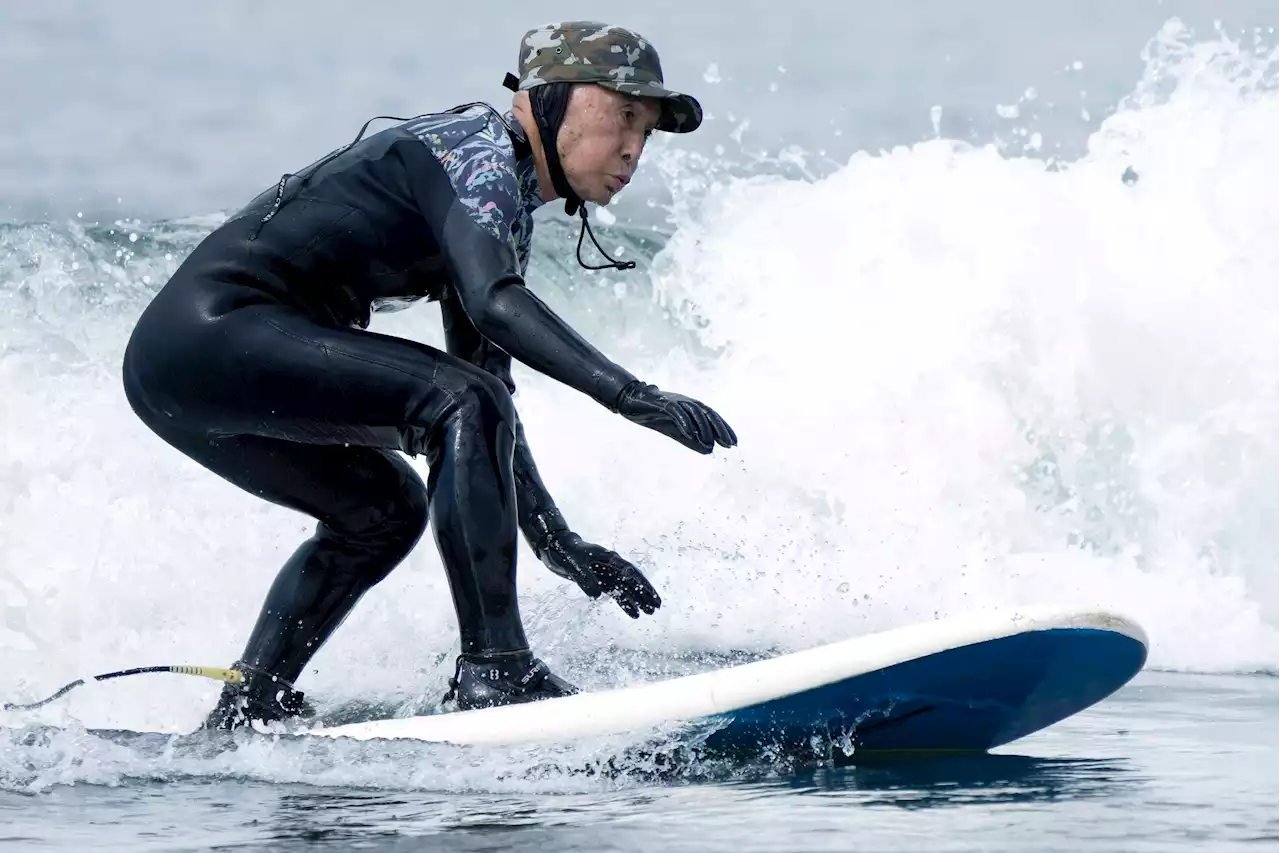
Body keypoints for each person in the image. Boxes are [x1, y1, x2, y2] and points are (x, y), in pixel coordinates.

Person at [121, 21, 737, 730]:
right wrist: (631, 395)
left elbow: (486, 399)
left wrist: (558, 542)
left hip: (176, 371)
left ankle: (250, 702)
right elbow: (495, 309)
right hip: (209, 333)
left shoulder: (491, 202)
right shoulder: (475, 154)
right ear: (551, 99)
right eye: (624, 115)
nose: (634, 147)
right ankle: (496, 668)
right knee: (457, 401)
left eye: (649, 131)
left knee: (383, 511)